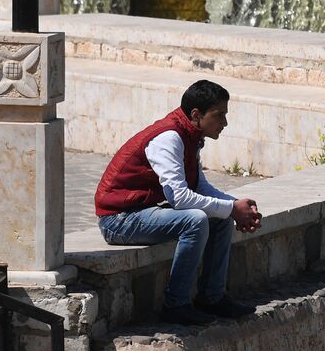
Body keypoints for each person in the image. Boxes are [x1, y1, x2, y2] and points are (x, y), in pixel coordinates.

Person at [94, 79, 263, 325]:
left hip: (144, 211)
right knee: (195, 220)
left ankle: (211, 298)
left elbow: (199, 187)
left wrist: (236, 206)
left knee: (221, 219)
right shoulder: (169, 138)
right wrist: (230, 208)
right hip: (118, 220)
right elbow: (180, 197)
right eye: (219, 115)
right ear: (196, 114)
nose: (225, 123)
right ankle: (176, 305)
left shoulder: (190, 135)